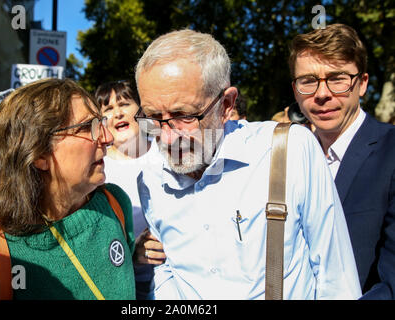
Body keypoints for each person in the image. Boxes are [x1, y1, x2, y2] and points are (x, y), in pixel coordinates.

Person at [133, 28, 361, 299]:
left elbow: (336, 279)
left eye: (184, 116)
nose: (168, 137)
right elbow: (167, 273)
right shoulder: (150, 179)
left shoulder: (288, 150)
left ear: (226, 105)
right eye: (153, 118)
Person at [0, 78, 136, 300]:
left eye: (101, 123)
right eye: (87, 127)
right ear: (38, 154)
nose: (108, 138)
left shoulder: (115, 204)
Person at [289, 23, 395, 299]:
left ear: (362, 84)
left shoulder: (390, 153)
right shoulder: (281, 158)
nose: (322, 94)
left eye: (337, 79)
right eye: (309, 81)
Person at [94, 80, 164, 299]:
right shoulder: (98, 169)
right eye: (108, 109)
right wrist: (134, 252)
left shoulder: (169, 151)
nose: (117, 114)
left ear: (140, 109)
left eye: (124, 104)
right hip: (130, 285)